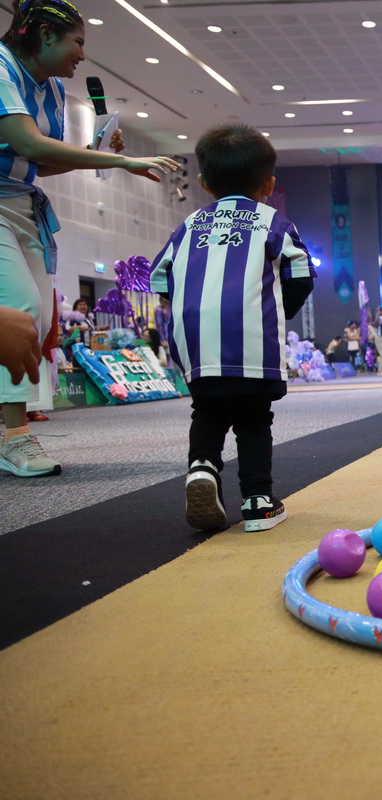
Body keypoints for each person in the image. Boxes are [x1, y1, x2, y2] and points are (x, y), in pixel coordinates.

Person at [0, 0, 177, 478]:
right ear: (44, 35)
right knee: (19, 308)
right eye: (77, 42)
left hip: (24, 205)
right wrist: (120, 161)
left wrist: (91, 150)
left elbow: (42, 163)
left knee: (39, 318)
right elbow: (27, 142)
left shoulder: (54, 89)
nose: (82, 54)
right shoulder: (0, 68)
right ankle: (15, 437)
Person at [150, 123, 314, 532]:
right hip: (252, 342)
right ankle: (258, 502)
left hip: (197, 344)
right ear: (268, 184)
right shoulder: (273, 222)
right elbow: (301, 274)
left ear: (204, 183)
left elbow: (159, 278)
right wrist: (278, 312)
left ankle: (202, 466)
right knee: (253, 418)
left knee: (207, 409)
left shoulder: (189, 225)